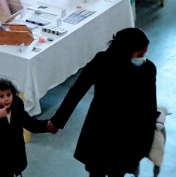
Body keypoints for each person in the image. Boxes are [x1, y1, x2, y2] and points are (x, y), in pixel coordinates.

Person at [48, 28, 157, 177]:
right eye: (140, 53)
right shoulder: (102, 63)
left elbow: (149, 104)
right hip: (101, 128)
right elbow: (77, 90)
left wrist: (148, 138)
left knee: (116, 171)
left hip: (126, 131)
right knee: (98, 169)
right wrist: (57, 121)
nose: (142, 58)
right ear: (126, 49)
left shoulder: (147, 69)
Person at [0, 78, 52, 177]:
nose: (6, 99)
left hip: (14, 155)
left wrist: (47, 125)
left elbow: (29, 122)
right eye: (1, 96)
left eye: (9, 95)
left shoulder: (17, 105)